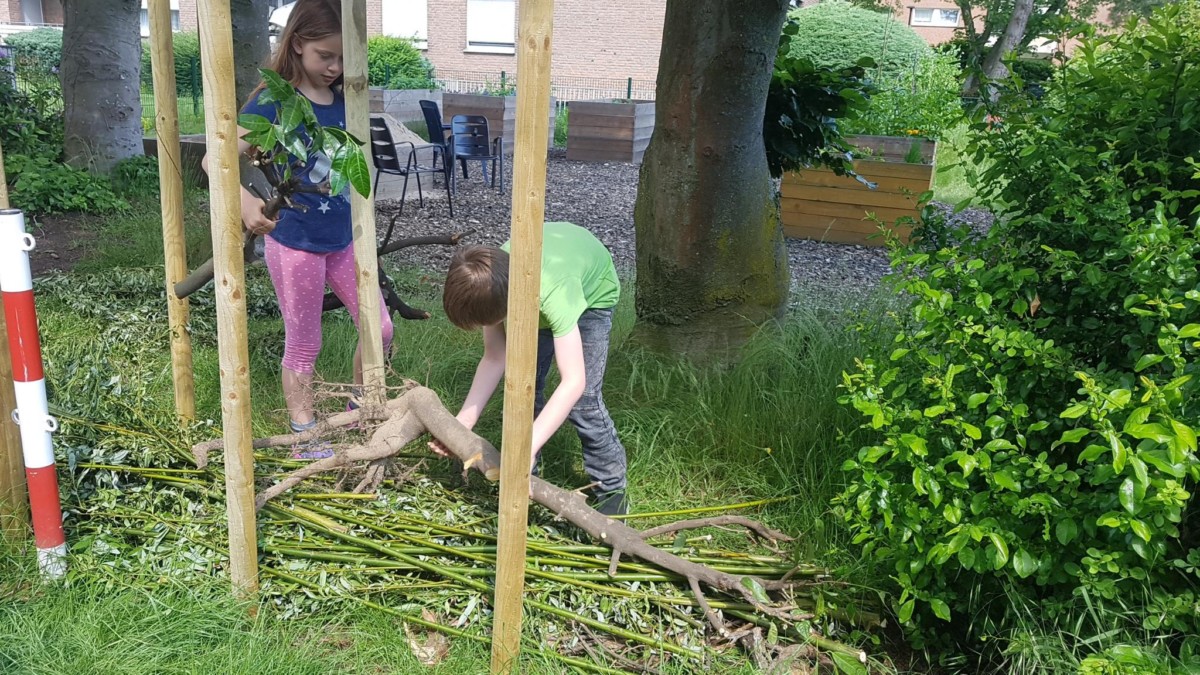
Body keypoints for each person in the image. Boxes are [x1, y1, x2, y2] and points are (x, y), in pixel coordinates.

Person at [201, 0, 393, 458]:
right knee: (306, 341)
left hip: (345, 240)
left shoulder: (349, 100)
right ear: (298, 43)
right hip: (296, 244)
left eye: (344, 57)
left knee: (381, 328)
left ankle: (356, 405)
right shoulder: (275, 101)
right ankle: (306, 433)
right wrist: (247, 202)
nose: (335, 67)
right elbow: (216, 158)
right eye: (325, 55)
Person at [437, 222, 629, 516]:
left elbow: (573, 381)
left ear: (509, 306)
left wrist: (523, 450)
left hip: (590, 295)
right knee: (524, 386)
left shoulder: (554, 294)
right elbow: (494, 358)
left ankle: (611, 487)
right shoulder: (492, 281)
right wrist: (462, 422)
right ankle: (529, 474)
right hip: (532, 296)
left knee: (585, 401)